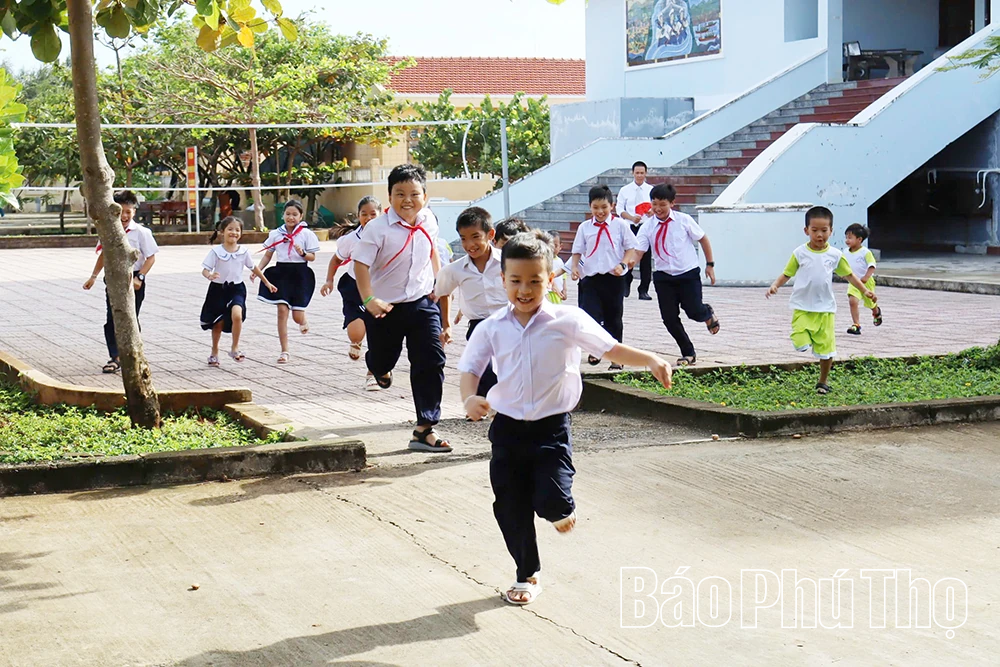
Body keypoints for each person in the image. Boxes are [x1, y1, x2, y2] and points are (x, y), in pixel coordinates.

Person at [459, 231, 672, 606]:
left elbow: (611, 348)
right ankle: (527, 574)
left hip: (551, 430)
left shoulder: (568, 320)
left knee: (551, 502)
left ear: (550, 279)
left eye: (535, 281)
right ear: (502, 279)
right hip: (506, 430)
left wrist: (652, 359)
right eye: (516, 281)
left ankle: (561, 508)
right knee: (509, 505)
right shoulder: (492, 326)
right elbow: (471, 367)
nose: (525, 290)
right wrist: (469, 398)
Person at [352, 164, 451, 453]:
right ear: (389, 196)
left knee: (431, 361)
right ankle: (377, 368)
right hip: (385, 308)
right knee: (383, 359)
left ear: (425, 195)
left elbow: (432, 249)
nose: (407, 200)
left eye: (414, 193)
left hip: (422, 303)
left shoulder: (429, 220)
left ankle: (424, 428)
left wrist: (438, 282)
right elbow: (360, 264)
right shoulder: (377, 229)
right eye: (400, 194)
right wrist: (369, 301)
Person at [766, 206, 877, 395]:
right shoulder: (800, 253)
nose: (819, 235)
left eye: (824, 231)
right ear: (806, 230)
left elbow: (849, 275)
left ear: (831, 231)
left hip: (825, 308)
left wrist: (865, 290)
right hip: (802, 306)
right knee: (800, 342)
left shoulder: (834, 255)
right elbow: (787, 272)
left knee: (826, 349)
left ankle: (822, 382)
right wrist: (775, 285)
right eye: (814, 230)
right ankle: (806, 342)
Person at [631, 183, 720, 367]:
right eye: (654, 204)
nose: (657, 209)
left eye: (662, 204)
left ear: (672, 203)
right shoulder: (647, 227)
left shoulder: (683, 220)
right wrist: (628, 264)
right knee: (669, 318)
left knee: (694, 311)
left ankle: (707, 313)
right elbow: (639, 251)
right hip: (664, 277)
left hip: (688, 274)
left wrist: (710, 264)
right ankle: (688, 352)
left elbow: (703, 239)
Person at [82, 190, 158, 374]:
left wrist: (140, 277)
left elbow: (151, 258)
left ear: (134, 212)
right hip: (113, 279)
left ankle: (135, 355)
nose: (124, 215)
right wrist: (93, 276)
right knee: (112, 319)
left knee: (131, 317)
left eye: (128, 211)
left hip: (134, 279)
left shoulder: (141, 232)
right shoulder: (107, 230)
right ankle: (115, 357)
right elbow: (103, 255)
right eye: (121, 211)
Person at [435, 206, 506, 397]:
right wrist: (446, 325)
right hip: (479, 325)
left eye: (476, 237)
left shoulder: (507, 262)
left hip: (509, 321)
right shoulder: (455, 269)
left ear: (490, 234)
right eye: (463, 238)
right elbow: (443, 292)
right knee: (484, 366)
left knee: (510, 367)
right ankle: (491, 404)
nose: (469, 244)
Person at [569, 185, 638, 370]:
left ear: (612, 206)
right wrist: (575, 267)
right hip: (591, 279)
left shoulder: (620, 225)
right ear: (590, 207)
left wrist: (623, 264)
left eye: (604, 207)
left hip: (614, 278)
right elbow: (577, 251)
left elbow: (631, 248)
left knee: (613, 318)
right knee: (590, 317)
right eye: (595, 207)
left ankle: (617, 358)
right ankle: (596, 349)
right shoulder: (584, 227)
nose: (600, 212)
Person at [320, 196, 382, 390]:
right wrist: (329, 280)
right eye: (364, 214)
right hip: (354, 288)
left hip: (379, 288)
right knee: (357, 332)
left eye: (373, 214)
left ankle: (373, 374)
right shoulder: (350, 240)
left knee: (378, 333)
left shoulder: (389, 235)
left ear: (381, 215)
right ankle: (356, 343)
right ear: (358, 216)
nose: (369, 218)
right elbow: (336, 260)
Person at [200, 216, 276, 366]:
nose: (233, 232)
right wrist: (210, 275)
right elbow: (205, 269)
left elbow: (253, 267)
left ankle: (235, 348)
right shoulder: (216, 252)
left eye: (237, 230)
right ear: (222, 231)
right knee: (218, 324)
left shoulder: (243, 251)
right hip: (218, 289)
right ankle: (214, 351)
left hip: (237, 289)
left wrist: (266, 282)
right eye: (230, 229)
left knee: (237, 315)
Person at [254, 199, 320, 364]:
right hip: (281, 274)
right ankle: (284, 350)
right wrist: (259, 270)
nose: (291, 217)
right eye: (288, 214)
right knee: (282, 311)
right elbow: (268, 254)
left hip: (300, 275)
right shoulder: (276, 234)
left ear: (301, 216)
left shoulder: (306, 234)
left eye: (295, 214)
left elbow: (312, 257)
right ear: (283, 215)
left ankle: (303, 320)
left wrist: (303, 253)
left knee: (297, 316)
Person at [617, 161, 654, 300]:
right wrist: (632, 218)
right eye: (637, 173)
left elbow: (656, 208)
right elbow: (619, 209)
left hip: (646, 227)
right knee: (627, 255)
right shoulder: (625, 190)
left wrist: (651, 212)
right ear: (632, 173)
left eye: (642, 173)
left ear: (646, 173)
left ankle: (643, 289)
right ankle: (626, 284)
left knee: (645, 259)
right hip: (629, 226)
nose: (639, 175)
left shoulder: (651, 190)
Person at [843, 223, 883, 335]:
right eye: (846, 237)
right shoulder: (845, 252)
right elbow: (843, 264)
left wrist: (866, 277)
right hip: (853, 281)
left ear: (859, 239)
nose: (847, 240)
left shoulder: (865, 252)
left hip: (866, 282)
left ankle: (876, 311)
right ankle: (856, 324)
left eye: (850, 238)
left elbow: (872, 265)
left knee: (870, 302)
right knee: (852, 301)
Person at [548, 233, 568, 304]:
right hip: (548, 292)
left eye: (555, 246)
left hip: (558, 293)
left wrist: (564, 289)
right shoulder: (544, 260)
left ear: (560, 246)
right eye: (550, 246)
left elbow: (564, 276)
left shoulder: (560, 261)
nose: (553, 249)